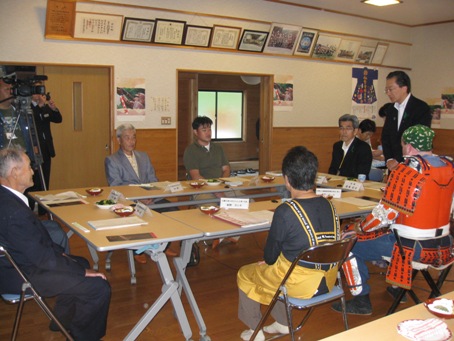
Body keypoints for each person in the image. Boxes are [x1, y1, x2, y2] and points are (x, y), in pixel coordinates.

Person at [332, 125, 454, 315]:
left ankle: (361, 299)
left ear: (409, 146)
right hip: (445, 247)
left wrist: (358, 227)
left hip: (411, 248)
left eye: (403, 144)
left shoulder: (405, 171)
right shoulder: (449, 166)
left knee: (348, 242)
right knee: (389, 233)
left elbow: (383, 216)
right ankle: (398, 289)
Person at [0, 147, 111, 341]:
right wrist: (81, 272)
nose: (33, 170)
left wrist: (65, 257)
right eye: (29, 166)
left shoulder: (7, 199)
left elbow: (36, 245)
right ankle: (81, 336)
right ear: (15, 172)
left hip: (19, 264)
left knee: (81, 262)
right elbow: (43, 259)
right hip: (20, 273)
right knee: (99, 287)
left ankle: (61, 321)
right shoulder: (13, 211)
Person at [237, 146, 340, 341]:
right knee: (279, 270)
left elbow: (269, 257)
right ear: (314, 176)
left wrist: (269, 262)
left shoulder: (286, 210)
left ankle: (255, 330)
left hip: (300, 284)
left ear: (287, 179)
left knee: (246, 274)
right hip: (328, 279)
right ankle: (283, 324)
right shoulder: (329, 204)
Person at [104, 123, 177, 262]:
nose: (131, 141)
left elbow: (153, 180)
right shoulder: (112, 160)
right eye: (127, 138)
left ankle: (163, 245)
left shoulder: (143, 156)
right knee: (138, 215)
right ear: (119, 140)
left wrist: (150, 197)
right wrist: (139, 199)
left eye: (133, 137)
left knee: (172, 210)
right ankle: (137, 251)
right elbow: (116, 186)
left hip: (150, 199)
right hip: (128, 201)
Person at [381, 71, 431, 172]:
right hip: (393, 166)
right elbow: (385, 136)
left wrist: (398, 159)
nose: (388, 93)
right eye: (386, 90)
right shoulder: (391, 109)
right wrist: (389, 159)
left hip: (412, 164)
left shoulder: (420, 108)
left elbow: (417, 140)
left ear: (404, 88)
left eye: (390, 89)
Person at [183, 116, 231, 180]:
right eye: (204, 130)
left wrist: (222, 182)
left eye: (209, 130)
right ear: (195, 132)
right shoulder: (191, 150)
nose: (208, 133)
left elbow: (226, 169)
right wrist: (211, 185)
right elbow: (195, 176)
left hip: (220, 185)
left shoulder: (218, 148)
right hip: (201, 187)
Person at [328, 114, 372, 179]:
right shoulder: (337, 146)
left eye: (348, 128)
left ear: (355, 131)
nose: (344, 132)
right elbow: (333, 169)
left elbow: (362, 172)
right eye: (341, 128)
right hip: (337, 183)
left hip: (355, 184)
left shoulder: (363, 147)